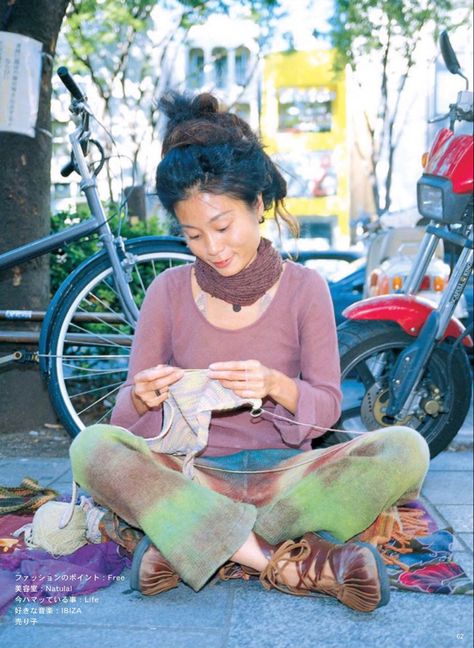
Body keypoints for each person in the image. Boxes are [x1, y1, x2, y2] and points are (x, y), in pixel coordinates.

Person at [70, 92, 430, 614]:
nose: (212, 248)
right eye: (193, 235)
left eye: (222, 227)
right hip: (194, 476)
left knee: (405, 448)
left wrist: (274, 385)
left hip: (287, 482)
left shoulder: (305, 288)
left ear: (258, 206)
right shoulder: (166, 293)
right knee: (93, 447)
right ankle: (282, 562)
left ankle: (192, 541)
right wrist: (145, 398)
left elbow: (327, 407)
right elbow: (128, 423)